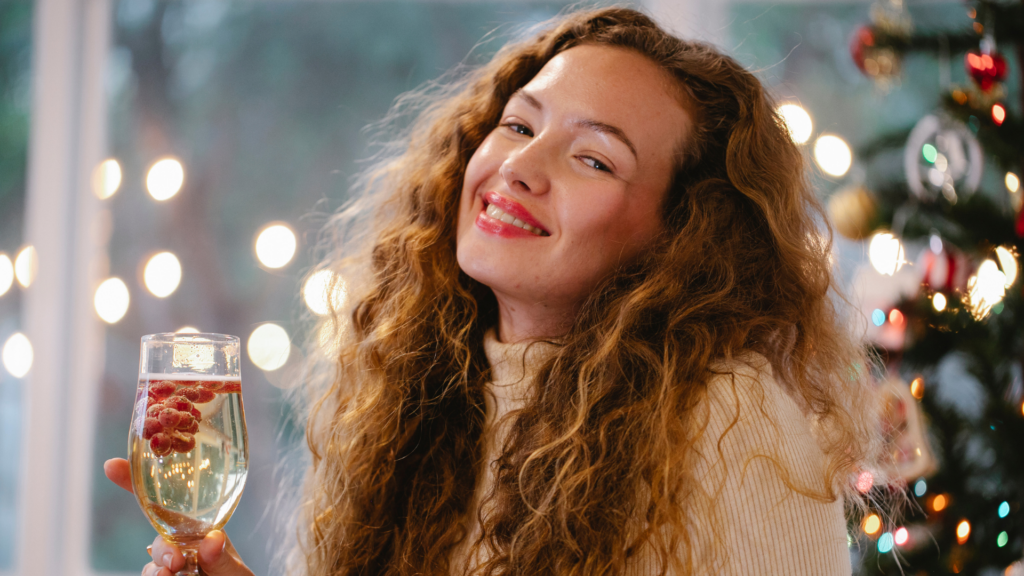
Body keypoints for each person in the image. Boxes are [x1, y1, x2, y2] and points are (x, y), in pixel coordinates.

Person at [105, 7, 883, 575]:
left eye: (594, 159)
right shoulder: (420, 397)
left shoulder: (736, 420)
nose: (519, 167)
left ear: (683, 238)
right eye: (518, 125)